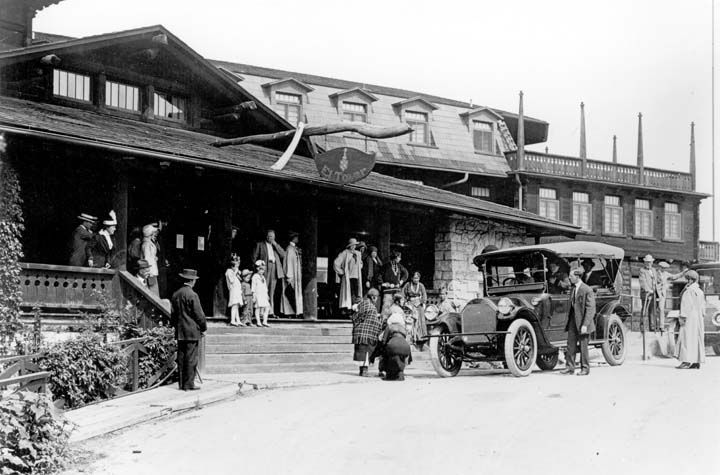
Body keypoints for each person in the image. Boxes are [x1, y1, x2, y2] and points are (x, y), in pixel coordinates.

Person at [170, 269, 207, 391]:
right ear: (192, 281)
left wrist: (176, 327)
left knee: (181, 357)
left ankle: (181, 384)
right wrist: (203, 327)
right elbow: (199, 314)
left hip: (180, 331)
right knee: (191, 358)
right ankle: (189, 384)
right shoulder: (192, 294)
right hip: (191, 331)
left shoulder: (176, 294)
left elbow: (173, 315)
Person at [562, 268, 596, 376]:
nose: (569, 278)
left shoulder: (587, 290)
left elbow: (591, 309)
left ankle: (585, 368)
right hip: (573, 321)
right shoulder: (573, 289)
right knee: (570, 345)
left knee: (583, 346)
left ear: (577, 277)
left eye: (571, 276)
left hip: (583, 322)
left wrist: (585, 324)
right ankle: (569, 368)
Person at [675, 270, 705, 369]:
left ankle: (686, 361)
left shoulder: (688, 291)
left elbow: (685, 305)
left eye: (688, 279)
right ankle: (697, 361)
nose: (687, 281)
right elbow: (703, 306)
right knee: (697, 337)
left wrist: (682, 317)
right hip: (698, 317)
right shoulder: (700, 291)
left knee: (686, 337)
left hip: (690, 317)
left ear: (691, 280)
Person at [251, 230, 286, 317]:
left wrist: (275, 244)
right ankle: (260, 312)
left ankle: (270, 312)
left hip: (274, 268)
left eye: (273, 237)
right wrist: (258, 269)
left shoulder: (275, 246)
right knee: (262, 290)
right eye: (270, 236)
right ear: (266, 237)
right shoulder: (260, 244)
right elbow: (254, 258)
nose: (271, 238)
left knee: (271, 291)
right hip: (264, 268)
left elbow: (284, 254)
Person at [351, 289, 383, 377]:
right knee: (366, 353)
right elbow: (374, 322)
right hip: (367, 334)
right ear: (373, 297)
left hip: (358, 333)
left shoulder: (362, 304)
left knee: (361, 352)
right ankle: (364, 371)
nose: (376, 300)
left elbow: (355, 317)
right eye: (376, 298)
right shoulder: (372, 308)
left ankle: (361, 370)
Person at [375, 315, 412, 381]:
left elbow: (384, 340)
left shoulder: (389, 327)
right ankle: (400, 373)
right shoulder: (403, 328)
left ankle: (389, 374)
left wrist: (382, 349)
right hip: (405, 346)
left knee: (387, 356)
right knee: (401, 358)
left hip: (393, 346)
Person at [333, 237, 363, 314]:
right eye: (352, 245)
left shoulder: (357, 253)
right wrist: (342, 272)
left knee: (356, 294)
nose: (354, 246)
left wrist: (359, 266)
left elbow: (361, 264)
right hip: (348, 277)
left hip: (356, 277)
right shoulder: (345, 253)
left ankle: (355, 309)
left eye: (355, 245)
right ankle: (348, 309)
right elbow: (336, 263)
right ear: (349, 246)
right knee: (349, 294)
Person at [377, 251, 409, 316]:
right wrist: (383, 283)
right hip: (387, 290)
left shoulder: (399, 266)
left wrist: (401, 281)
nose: (400, 259)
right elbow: (379, 275)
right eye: (399, 257)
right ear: (395, 258)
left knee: (396, 306)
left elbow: (406, 273)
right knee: (386, 306)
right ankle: (384, 322)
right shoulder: (386, 266)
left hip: (396, 290)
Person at [402, 271, 428, 347]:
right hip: (410, 305)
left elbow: (424, 296)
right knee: (411, 321)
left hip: (419, 304)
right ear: (411, 278)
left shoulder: (421, 286)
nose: (416, 280)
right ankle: (411, 338)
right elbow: (403, 294)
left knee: (420, 320)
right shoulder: (407, 285)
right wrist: (405, 303)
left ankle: (420, 338)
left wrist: (421, 302)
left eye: (417, 278)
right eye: (414, 278)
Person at [281, 231, 303, 318]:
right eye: (296, 237)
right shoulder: (290, 249)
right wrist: (289, 276)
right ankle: (290, 312)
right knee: (290, 293)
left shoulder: (294, 248)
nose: (298, 239)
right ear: (293, 238)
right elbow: (289, 263)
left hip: (295, 275)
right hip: (292, 275)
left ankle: (295, 311)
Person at [639, 254, 661, 331]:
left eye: (650, 262)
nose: (649, 264)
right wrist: (648, 290)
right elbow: (643, 282)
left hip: (654, 294)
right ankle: (643, 328)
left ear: (652, 262)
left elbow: (657, 280)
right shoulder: (642, 271)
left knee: (653, 311)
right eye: (647, 262)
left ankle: (652, 327)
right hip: (646, 294)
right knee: (644, 310)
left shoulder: (654, 270)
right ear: (644, 263)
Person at [141, 223, 160, 297]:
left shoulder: (148, 243)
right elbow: (146, 259)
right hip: (150, 273)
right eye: (153, 233)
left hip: (151, 272)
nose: (154, 234)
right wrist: (149, 272)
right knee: (154, 294)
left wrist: (154, 257)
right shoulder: (147, 244)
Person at [252, 260, 271, 327]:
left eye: (263, 270)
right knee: (258, 308)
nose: (262, 271)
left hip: (263, 295)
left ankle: (265, 321)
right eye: (261, 270)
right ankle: (258, 321)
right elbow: (253, 287)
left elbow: (265, 287)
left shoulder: (263, 277)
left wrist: (267, 295)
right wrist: (254, 295)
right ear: (257, 269)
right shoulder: (255, 276)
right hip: (258, 294)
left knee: (267, 307)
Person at [226, 254, 243, 326]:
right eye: (236, 265)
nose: (237, 267)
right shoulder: (229, 271)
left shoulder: (235, 272)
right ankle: (233, 320)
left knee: (237, 305)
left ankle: (238, 320)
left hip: (237, 290)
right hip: (233, 290)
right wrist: (235, 272)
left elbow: (240, 280)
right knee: (234, 304)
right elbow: (232, 280)